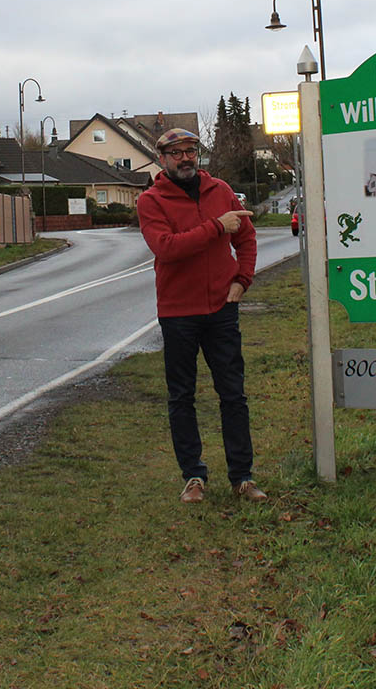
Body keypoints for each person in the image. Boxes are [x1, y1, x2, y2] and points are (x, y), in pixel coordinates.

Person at [137, 128, 266, 504]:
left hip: (222, 309)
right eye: (176, 153)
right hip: (178, 313)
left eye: (190, 151)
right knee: (182, 397)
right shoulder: (151, 200)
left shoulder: (220, 191)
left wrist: (242, 279)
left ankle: (242, 477)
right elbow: (166, 248)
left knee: (233, 396)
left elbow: (246, 238)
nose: (185, 158)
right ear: (163, 159)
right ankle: (193, 476)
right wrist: (215, 227)